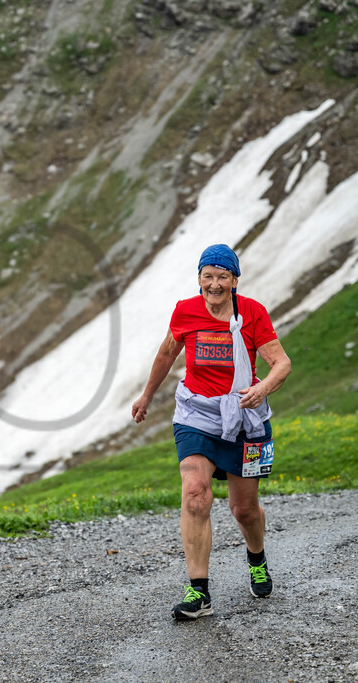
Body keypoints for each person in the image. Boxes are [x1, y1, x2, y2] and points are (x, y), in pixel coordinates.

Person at [131, 243, 291, 620]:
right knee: (195, 495)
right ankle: (198, 591)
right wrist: (146, 395)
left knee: (244, 509)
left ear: (235, 280)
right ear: (199, 278)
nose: (214, 284)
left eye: (222, 276)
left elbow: (281, 363)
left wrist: (261, 388)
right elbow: (167, 353)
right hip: (196, 414)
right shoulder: (185, 311)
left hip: (243, 417)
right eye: (208, 276)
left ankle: (257, 560)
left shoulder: (252, 313)